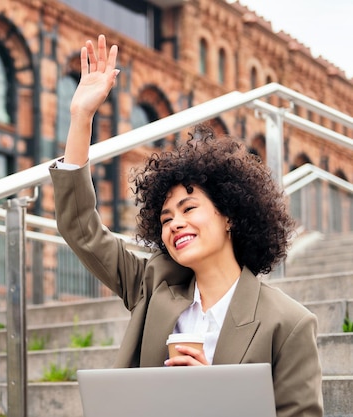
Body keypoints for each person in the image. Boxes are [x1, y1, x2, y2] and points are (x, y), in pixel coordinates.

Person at [49, 34, 323, 417]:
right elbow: (81, 228)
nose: (175, 223)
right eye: (165, 218)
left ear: (229, 214)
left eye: (188, 208)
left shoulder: (288, 324)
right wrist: (81, 118)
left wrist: (216, 397)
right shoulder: (154, 286)